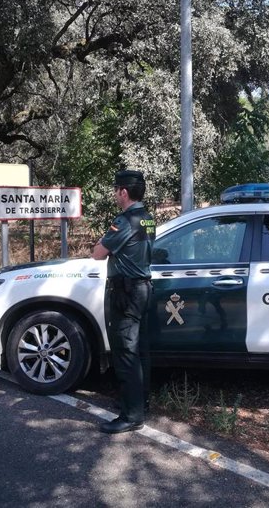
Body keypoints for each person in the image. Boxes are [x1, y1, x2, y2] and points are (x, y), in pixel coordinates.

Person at [92, 170, 155, 434]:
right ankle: (140, 403)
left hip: (126, 294)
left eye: (116, 189)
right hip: (143, 290)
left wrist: (99, 243)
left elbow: (98, 253)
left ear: (124, 192)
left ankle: (131, 416)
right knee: (140, 351)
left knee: (126, 353)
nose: (115, 193)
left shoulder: (126, 220)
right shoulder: (148, 218)